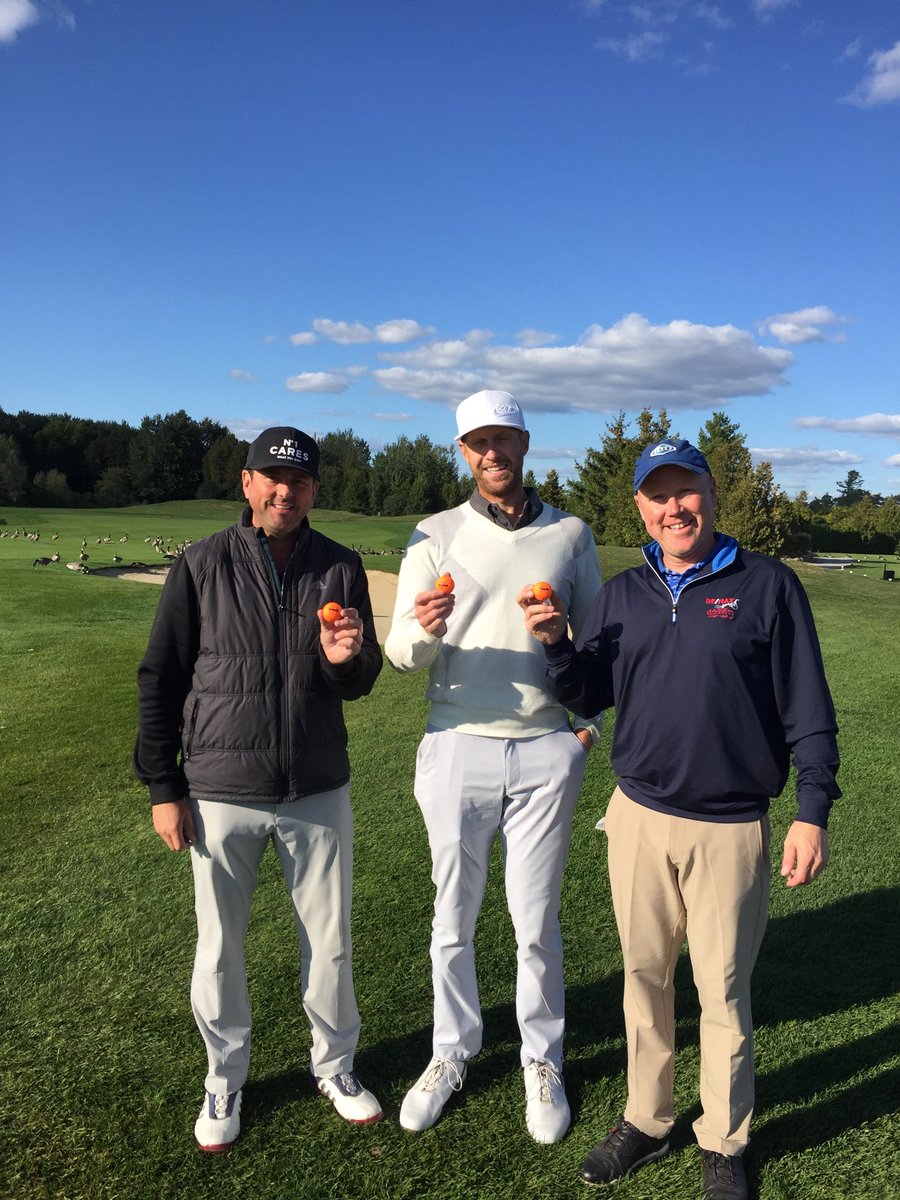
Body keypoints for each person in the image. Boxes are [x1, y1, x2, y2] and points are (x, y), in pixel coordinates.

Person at [523, 438, 839, 1199]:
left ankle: (725, 1139)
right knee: (644, 977)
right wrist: (559, 644)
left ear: (711, 492)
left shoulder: (766, 585)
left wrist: (812, 811)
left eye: (686, 490)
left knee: (723, 990)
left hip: (730, 826)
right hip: (637, 816)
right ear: (640, 506)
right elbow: (589, 691)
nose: (674, 507)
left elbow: (809, 708)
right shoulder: (626, 593)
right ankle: (648, 1118)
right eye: (658, 495)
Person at [134, 426, 383, 1152]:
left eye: (300, 482)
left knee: (330, 947)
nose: (285, 491)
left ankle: (334, 1067)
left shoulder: (340, 566)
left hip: (316, 787)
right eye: (272, 478)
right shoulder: (203, 563)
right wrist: (162, 786)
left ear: (313, 490)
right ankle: (224, 1078)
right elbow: (162, 677)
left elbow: (358, 679)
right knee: (219, 951)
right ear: (246, 483)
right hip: (220, 791)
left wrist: (344, 660)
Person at [384, 390, 604, 1144]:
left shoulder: (571, 535)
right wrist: (422, 627)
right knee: (453, 917)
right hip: (456, 743)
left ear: (524, 443)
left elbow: (602, 649)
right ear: (463, 451)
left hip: (546, 749)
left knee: (535, 919)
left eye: (503, 439)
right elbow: (401, 657)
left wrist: (587, 732)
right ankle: (452, 1052)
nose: (492, 453)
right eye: (477, 442)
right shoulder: (434, 533)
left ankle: (541, 1060)